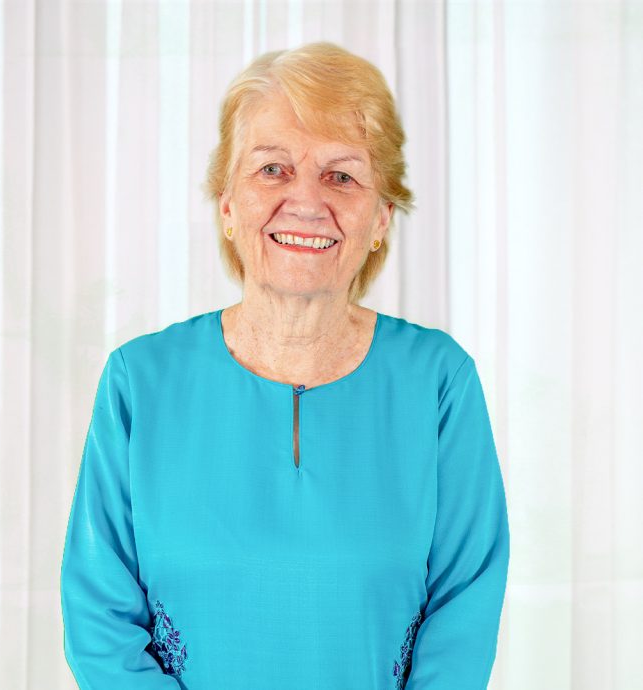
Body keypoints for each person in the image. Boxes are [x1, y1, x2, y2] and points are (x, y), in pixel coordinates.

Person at [60, 42, 510, 690]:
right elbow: (99, 624)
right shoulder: (139, 383)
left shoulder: (440, 383)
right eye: (272, 169)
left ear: (381, 218)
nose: (306, 201)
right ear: (227, 204)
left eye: (341, 176)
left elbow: (464, 611)